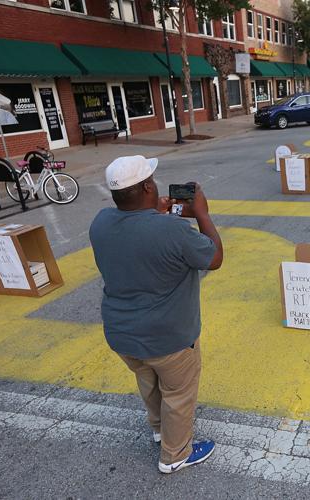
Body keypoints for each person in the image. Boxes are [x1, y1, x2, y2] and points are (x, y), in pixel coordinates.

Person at [89, 155, 223, 474]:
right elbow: (214, 257)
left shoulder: (101, 222)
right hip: (169, 339)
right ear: (148, 186)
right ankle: (174, 455)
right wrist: (201, 213)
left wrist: (157, 213)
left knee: (148, 380)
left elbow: (137, 232)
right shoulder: (172, 230)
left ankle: (160, 429)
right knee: (177, 393)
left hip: (122, 335)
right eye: (153, 179)